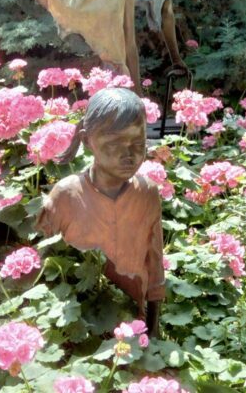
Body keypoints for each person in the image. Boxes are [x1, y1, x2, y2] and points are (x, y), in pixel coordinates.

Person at [35, 88, 165, 336]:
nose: (129, 154)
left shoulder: (147, 193)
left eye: (138, 143)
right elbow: (43, 269)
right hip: (76, 331)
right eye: (114, 143)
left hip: (133, 331)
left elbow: (154, 263)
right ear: (86, 140)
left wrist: (154, 330)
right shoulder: (64, 197)